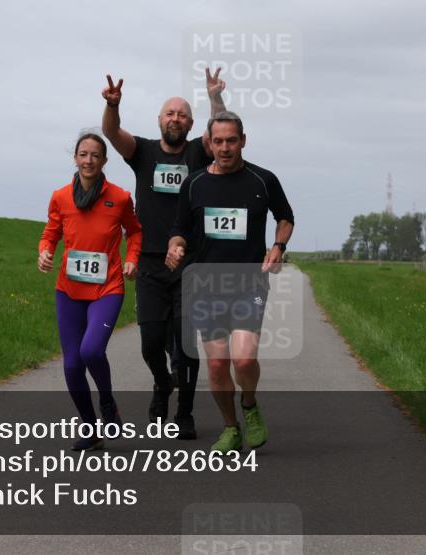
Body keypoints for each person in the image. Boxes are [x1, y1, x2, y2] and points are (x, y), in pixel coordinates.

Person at [101, 70, 228, 439]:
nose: (176, 118)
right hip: (151, 262)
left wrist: (215, 98)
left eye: (183, 114)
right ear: (159, 121)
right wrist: (112, 106)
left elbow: (221, 132)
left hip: (191, 262)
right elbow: (111, 133)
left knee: (186, 343)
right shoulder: (142, 152)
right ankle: (162, 384)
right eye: (169, 113)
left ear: (191, 124)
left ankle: (184, 414)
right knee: (152, 343)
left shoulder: (198, 152)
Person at [166, 111, 294, 453]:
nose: (225, 148)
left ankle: (249, 407)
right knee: (218, 363)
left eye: (231, 140)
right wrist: (175, 247)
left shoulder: (263, 180)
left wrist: (279, 246)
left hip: (250, 283)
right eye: (218, 141)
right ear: (209, 142)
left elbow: (285, 217)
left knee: (244, 359)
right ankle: (230, 427)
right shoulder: (193, 184)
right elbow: (179, 229)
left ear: (243, 141)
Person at [38, 132, 142, 452]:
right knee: (71, 365)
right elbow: (51, 232)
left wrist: (131, 259)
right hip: (69, 291)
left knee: (92, 351)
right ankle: (89, 426)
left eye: (95, 155)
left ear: (104, 161)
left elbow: (135, 231)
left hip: (106, 289)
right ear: (75, 158)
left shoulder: (119, 197)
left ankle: (108, 404)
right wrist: (44, 250)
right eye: (83, 154)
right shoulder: (60, 197)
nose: (88, 160)